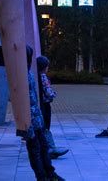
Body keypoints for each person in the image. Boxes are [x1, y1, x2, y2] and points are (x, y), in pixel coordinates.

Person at [17, 46, 64, 181]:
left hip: (37, 116)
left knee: (43, 146)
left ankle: (50, 173)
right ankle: (42, 177)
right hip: (29, 118)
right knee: (35, 149)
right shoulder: (21, 75)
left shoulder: (29, 74)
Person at [36, 56, 69, 158]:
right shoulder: (43, 77)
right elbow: (48, 92)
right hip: (45, 105)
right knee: (45, 126)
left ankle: (45, 147)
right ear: (45, 67)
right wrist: (54, 94)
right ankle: (50, 148)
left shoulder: (35, 75)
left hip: (38, 104)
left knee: (41, 126)